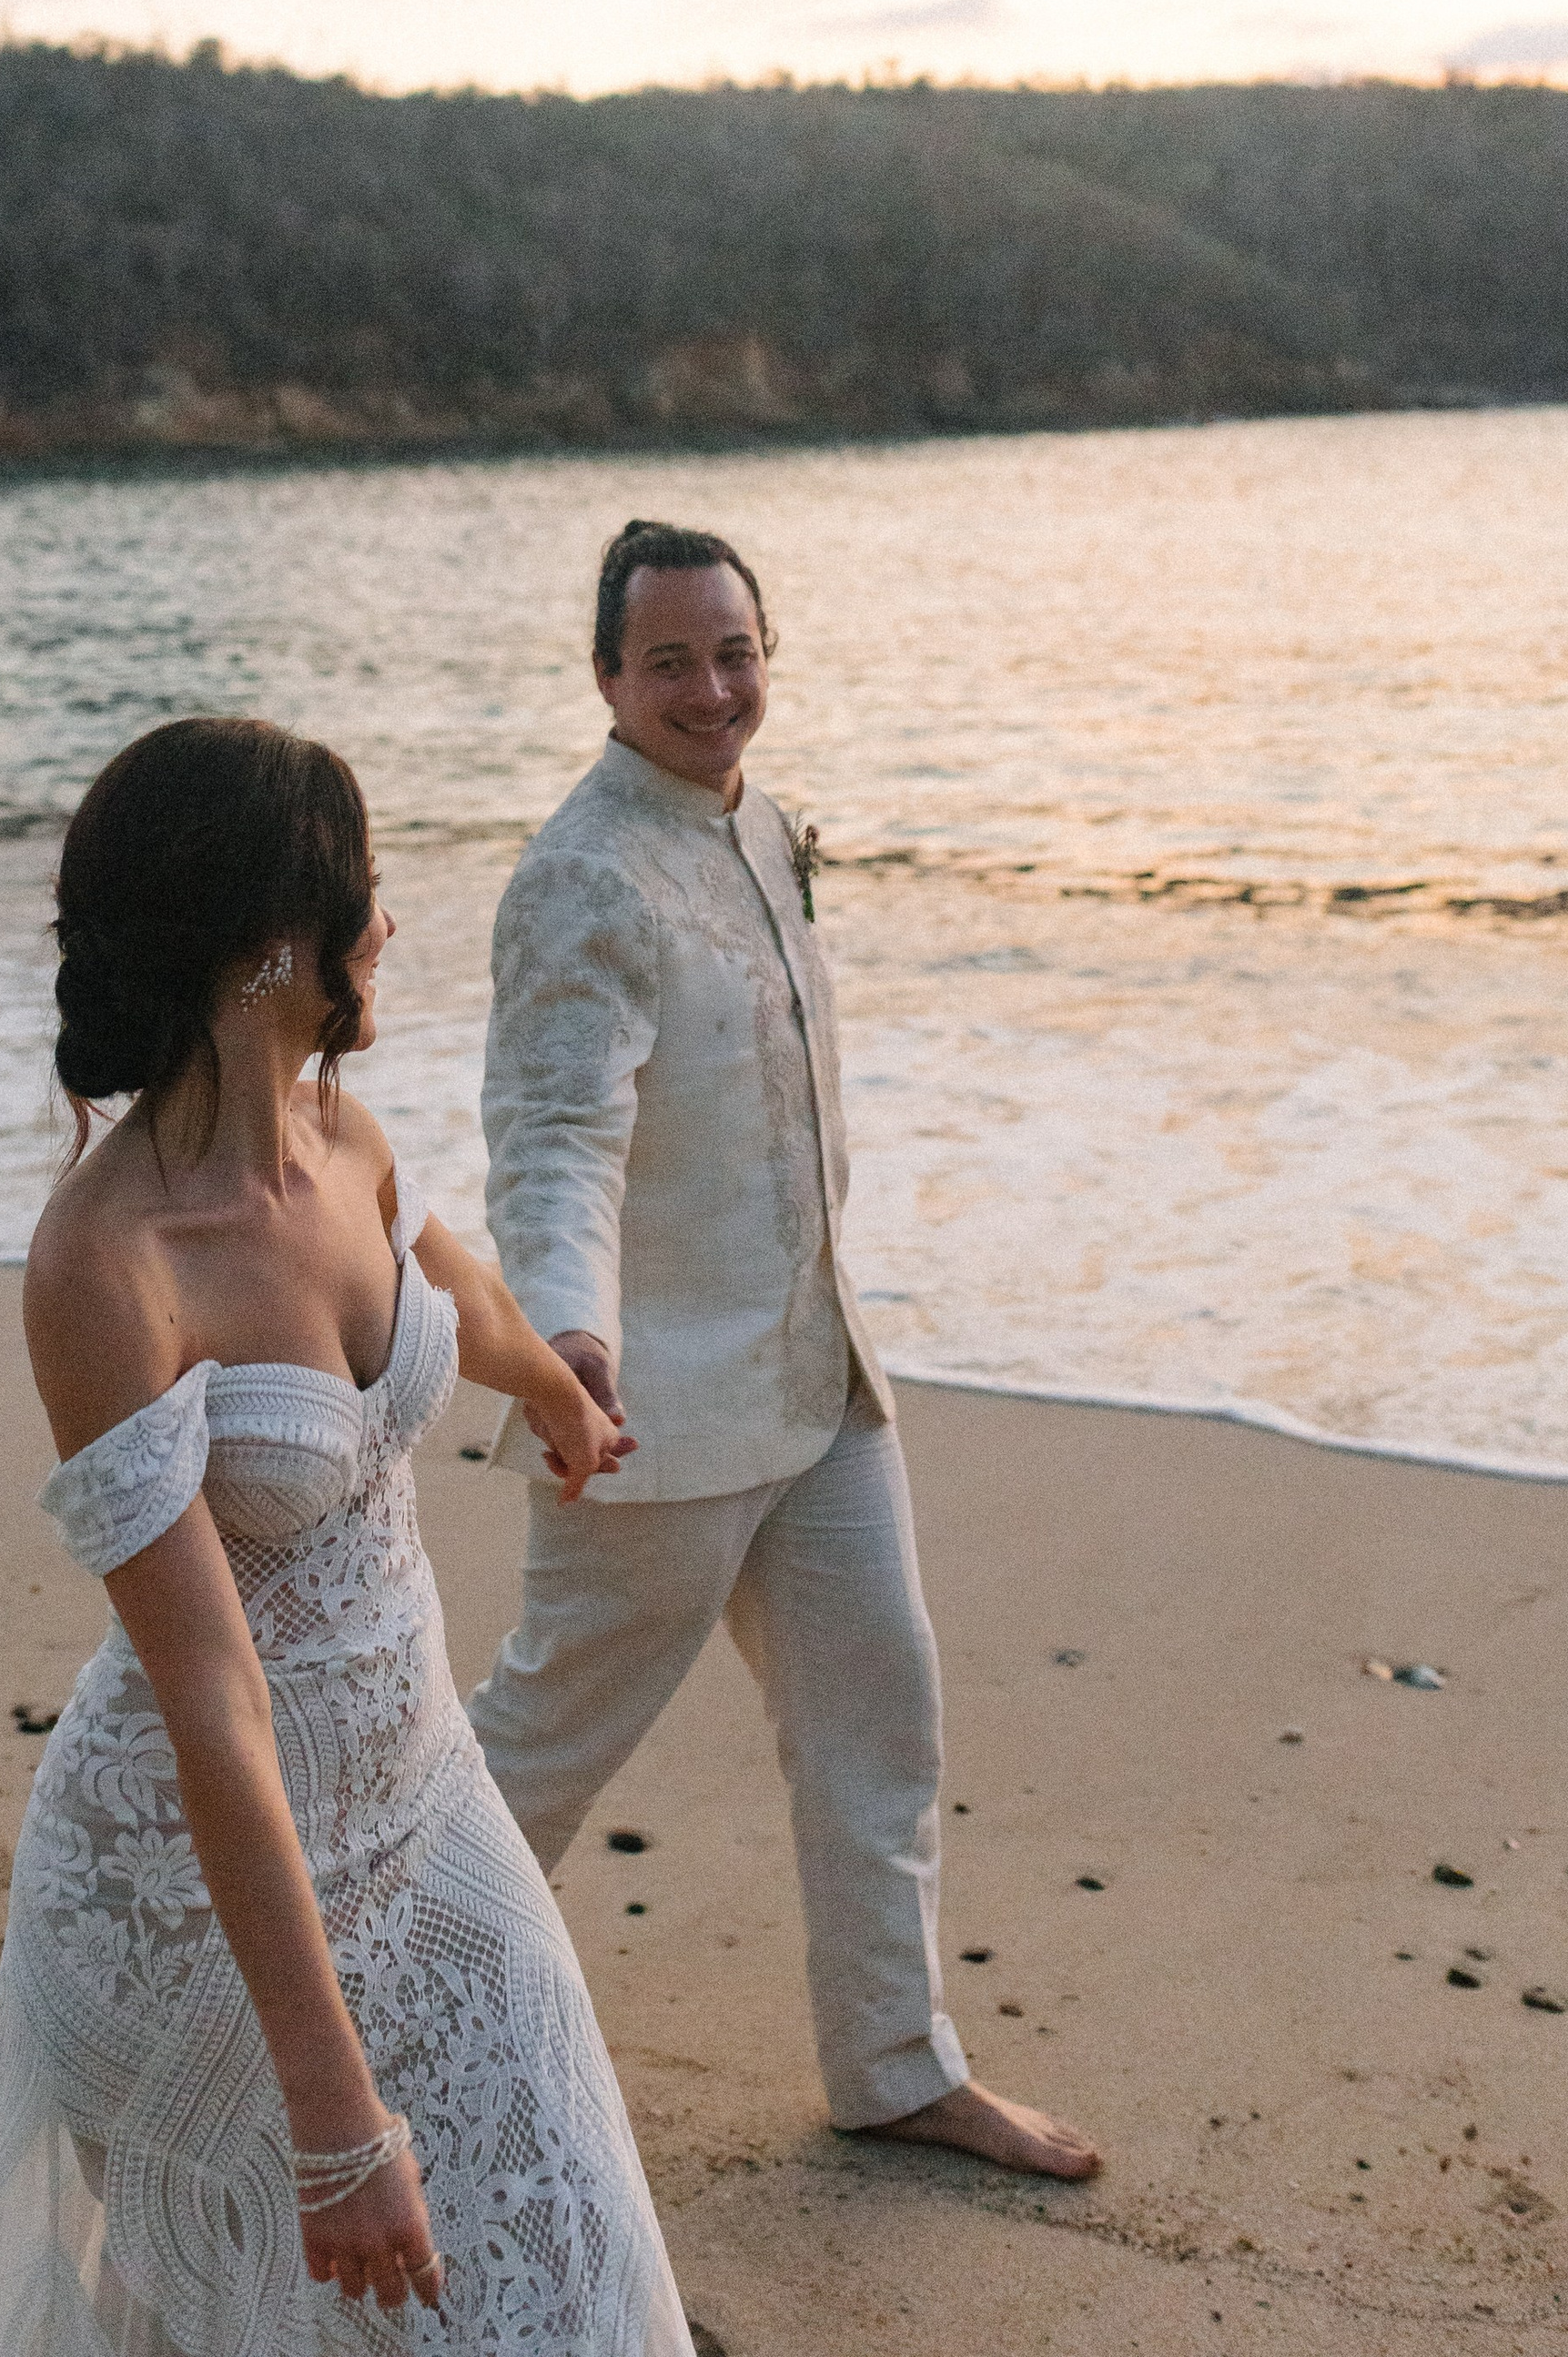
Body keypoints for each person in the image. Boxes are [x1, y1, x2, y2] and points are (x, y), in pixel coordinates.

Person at [0, 716, 695, 2356]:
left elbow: (442, 1281)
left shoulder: (347, 1138)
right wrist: (340, 2127)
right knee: (308, 2316)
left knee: (575, 2250)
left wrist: (551, 1388)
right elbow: (215, 1705)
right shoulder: (105, 1267)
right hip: (194, 1903)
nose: (390, 929)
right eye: (370, 896)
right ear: (277, 945)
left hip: (422, 1802)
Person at [468, 521, 1101, 2182]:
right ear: (606, 676)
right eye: (668, 659)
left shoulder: (761, 830)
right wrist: (570, 1336)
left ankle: (894, 2066)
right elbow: (552, 1137)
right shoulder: (583, 877)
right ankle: (347, 2030)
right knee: (532, 1753)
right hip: (654, 1412)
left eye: (734, 651)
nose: (711, 687)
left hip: (820, 1386)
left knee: (881, 1714)